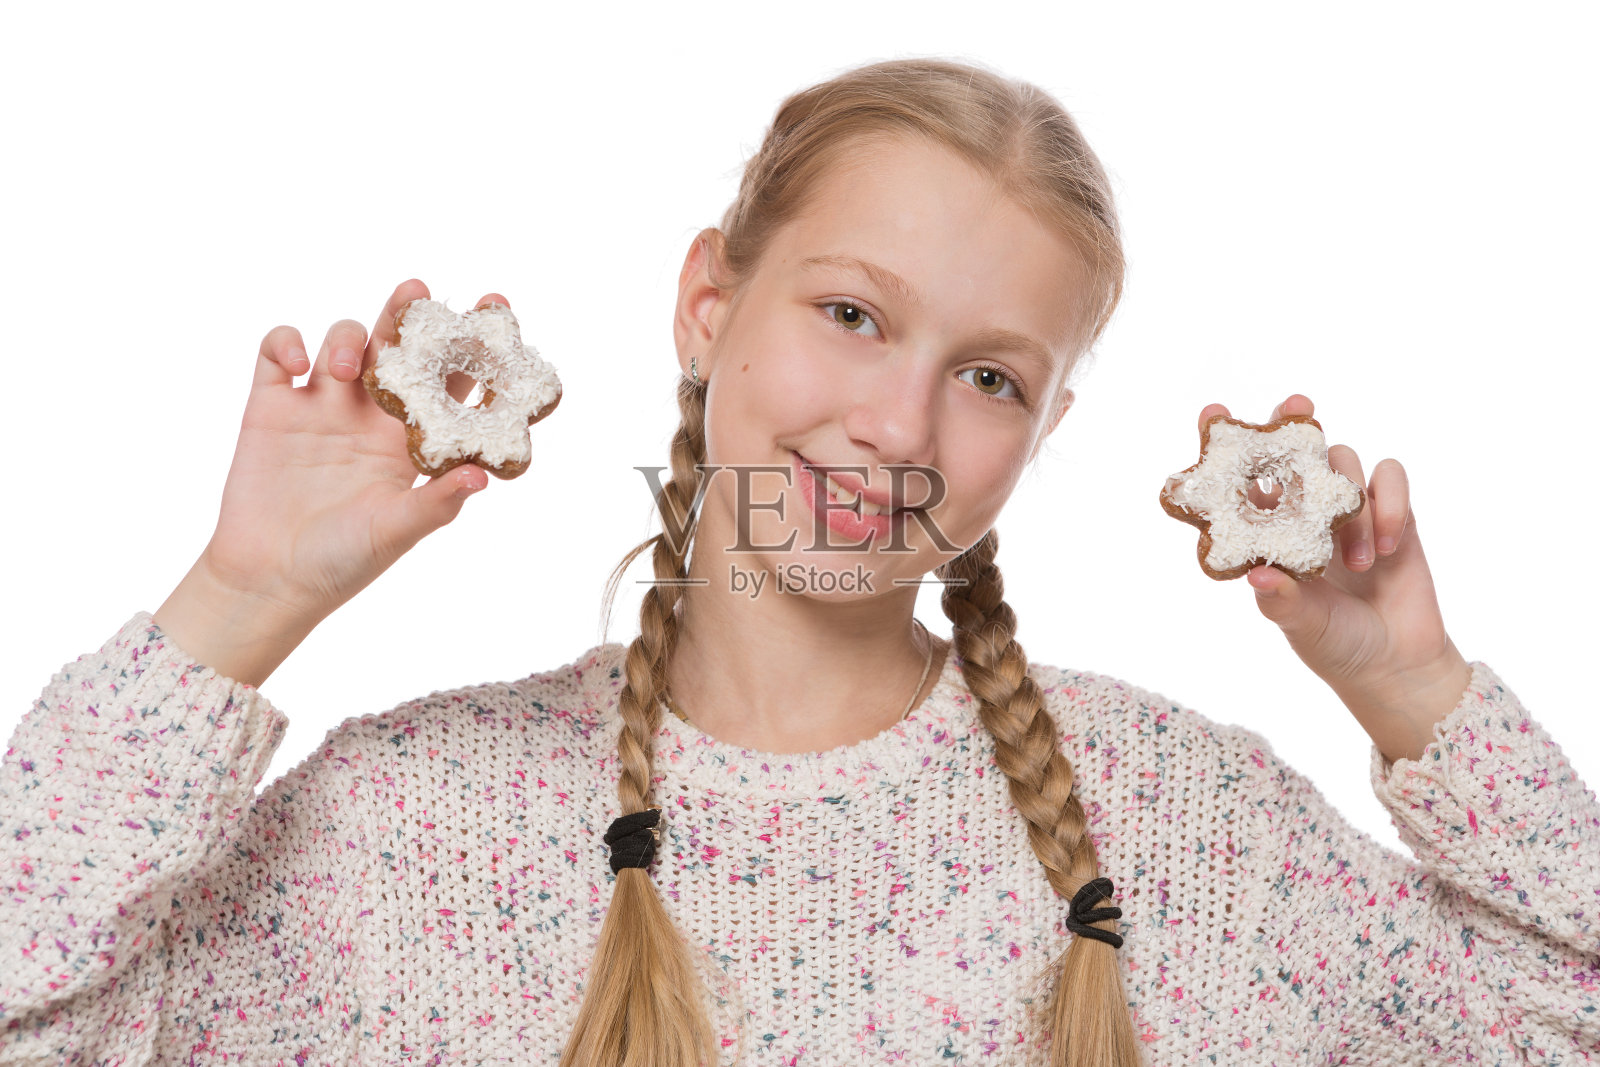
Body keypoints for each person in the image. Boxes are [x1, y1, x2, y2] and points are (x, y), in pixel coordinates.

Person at [1, 56, 1595, 1067]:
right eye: (852, 314)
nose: (899, 427)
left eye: (989, 379)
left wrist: (1418, 696)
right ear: (710, 304)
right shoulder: (402, 832)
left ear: (1036, 433)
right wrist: (239, 604)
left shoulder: (1197, 837)